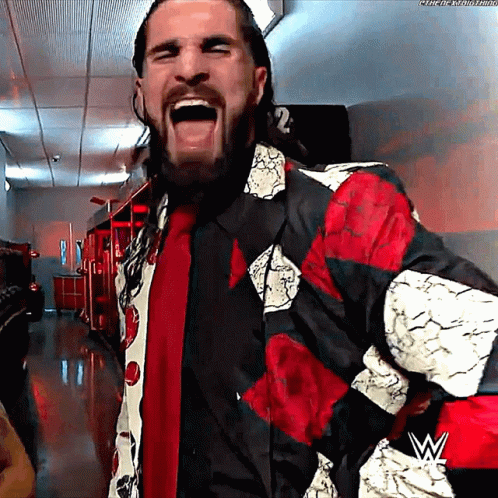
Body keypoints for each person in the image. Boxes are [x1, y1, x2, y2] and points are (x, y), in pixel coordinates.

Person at [108, 1, 498, 497]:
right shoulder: (140, 259)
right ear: (142, 93)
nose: (189, 68)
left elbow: (489, 363)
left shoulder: (340, 215)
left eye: (216, 47)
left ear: (257, 84)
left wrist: (375, 484)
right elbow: (137, 424)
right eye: (166, 53)